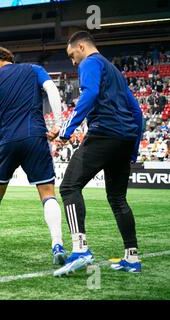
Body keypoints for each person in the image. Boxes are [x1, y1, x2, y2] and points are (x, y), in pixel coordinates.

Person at [53, 31, 143, 276]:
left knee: (69, 186)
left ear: (81, 47)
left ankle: (80, 249)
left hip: (104, 134)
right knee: (118, 199)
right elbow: (136, 112)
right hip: (124, 140)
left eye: (72, 56)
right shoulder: (113, 70)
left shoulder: (90, 63)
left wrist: (66, 129)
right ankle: (132, 257)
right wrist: (133, 148)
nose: (73, 62)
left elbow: (89, 94)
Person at [0, 45, 67, 265]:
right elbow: (53, 91)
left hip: (7, 139)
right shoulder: (34, 69)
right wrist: (58, 124)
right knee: (47, 193)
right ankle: (57, 244)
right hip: (35, 135)